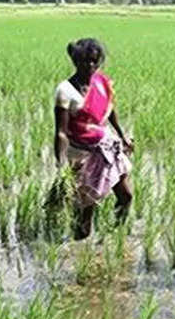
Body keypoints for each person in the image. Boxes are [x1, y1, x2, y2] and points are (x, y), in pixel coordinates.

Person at [53, 38, 134, 239]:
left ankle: (116, 236)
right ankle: (78, 248)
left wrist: (122, 136)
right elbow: (61, 132)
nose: (90, 66)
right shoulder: (65, 90)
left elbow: (110, 109)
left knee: (126, 197)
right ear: (75, 61)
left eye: (94, 61)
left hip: (107, 149)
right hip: (82, 154)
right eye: (84, 61)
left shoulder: (100, 82)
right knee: (85, 212)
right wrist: (61, 164)